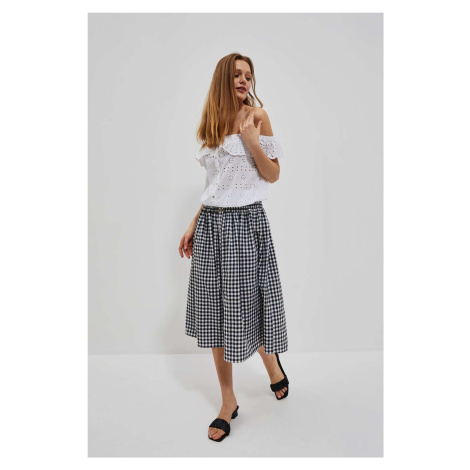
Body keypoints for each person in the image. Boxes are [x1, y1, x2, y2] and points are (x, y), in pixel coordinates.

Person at [178, 53, 289, 442]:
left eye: (249, 76)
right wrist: (194, 223)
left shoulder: (257, 117)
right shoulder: (211, 124)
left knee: (246, 307)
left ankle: (272, 365)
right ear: (223, 78)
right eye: (237, 74)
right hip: (212, 226)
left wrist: (252, 143)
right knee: (215, 312)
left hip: (246, 225)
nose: (244, 80)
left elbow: (273, 174)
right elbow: (215, 185)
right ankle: (228, 401)